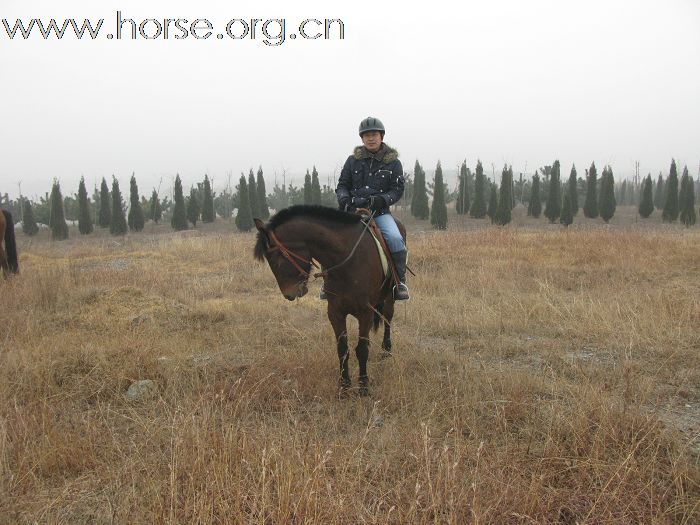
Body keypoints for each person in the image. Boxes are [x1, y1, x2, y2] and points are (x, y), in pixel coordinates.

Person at [320, 116, 409, 300]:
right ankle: (327, 283)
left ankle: (399, 283)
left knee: (394, 238)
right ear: (362, 138)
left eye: (374, 134)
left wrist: (382, 200)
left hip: (379, 213)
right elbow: (342, 185)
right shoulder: (352, 161)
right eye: (366, 135)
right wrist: (343, 198)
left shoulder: (394, 163)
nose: (370, 138)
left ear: (381, 136)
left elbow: (397, 190)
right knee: (327, 238)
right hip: (352, 212)